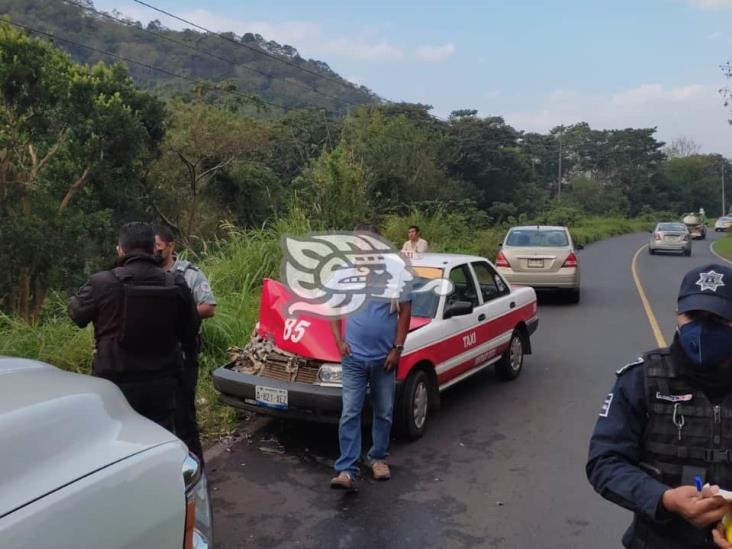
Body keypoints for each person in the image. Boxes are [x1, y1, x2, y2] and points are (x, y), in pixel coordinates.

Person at [587, 263, 732, 549]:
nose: (702, 328)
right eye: (693, 315)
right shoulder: (641, 379)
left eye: (718, 318)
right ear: (678, 316)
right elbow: (605, 462)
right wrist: (663, 499)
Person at [69, 222, 200, 433]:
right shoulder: (175, 283)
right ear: (152, 249)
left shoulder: (102, 283)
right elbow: (190, 329)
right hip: (163, 384)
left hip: (115, 384)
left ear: (120, 249)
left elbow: (76, 315)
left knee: (116, 438)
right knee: (160, 438)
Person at [329, 223, 413, 490]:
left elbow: (405, 312)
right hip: (353, 359)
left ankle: (378, 458)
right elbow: (332, 308)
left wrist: (397, 348)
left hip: (384, 359)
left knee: (384, 412)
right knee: (350, 412)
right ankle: (346, 470)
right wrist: (339, 342)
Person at [154, 224, 216, 464]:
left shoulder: (189, 274)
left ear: (171, 246)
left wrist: (179, 314)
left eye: (158, 247)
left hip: (183, 353)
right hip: (156, 354)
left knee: (183, 414)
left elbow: (209, 307)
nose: (154, 252)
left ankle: (194, 467)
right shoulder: (146, 273)